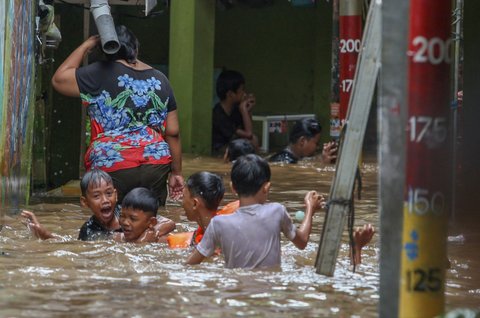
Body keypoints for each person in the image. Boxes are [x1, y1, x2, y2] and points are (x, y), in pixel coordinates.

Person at [51, 25, 184, 206]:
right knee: (151, 222)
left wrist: (87, 45)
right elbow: (173, 132)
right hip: (155, 164)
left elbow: (59, 79)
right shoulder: (161, 79)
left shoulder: (98, 72)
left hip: (112, 163)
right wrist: (176, 173)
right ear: (135, 48)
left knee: (112, 226)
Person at [186, 154, 373, 269]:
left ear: (233, 187)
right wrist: (310, 209)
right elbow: (301, 243)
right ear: (266, 187)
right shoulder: (276, 211)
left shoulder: (219, 224)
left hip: (235, 289)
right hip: (271, 287)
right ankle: (355, 250)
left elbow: (190, 264)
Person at [21, 169, 175, 241]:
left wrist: (151, 233)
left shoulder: (126, 211)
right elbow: (71, 245)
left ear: (116, 194)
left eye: (109, 193)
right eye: (96, 196)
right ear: (85, 202)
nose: (105, 200)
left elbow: (169, 223)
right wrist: (45, 234)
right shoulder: (89, 230)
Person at [167, 171, 239, 248]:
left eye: (183, 197)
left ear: (195, 203)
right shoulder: (230, 232)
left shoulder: (208, 243)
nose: (182, 203)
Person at [212, 70, 258, 156]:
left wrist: (248, 110)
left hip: (234, 143)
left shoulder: (235, 108)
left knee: (254, 140)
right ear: (230, 94)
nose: (244, 94)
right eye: (242, 90)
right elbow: (248, 134)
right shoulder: (218, 114)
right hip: (220, 149)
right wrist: (243, 110)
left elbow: (249, 132)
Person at [269, 118, 337, 164]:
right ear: (302, 141)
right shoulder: (285, 162)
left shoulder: (284, 158)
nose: (318, 147)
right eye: (316, 143)